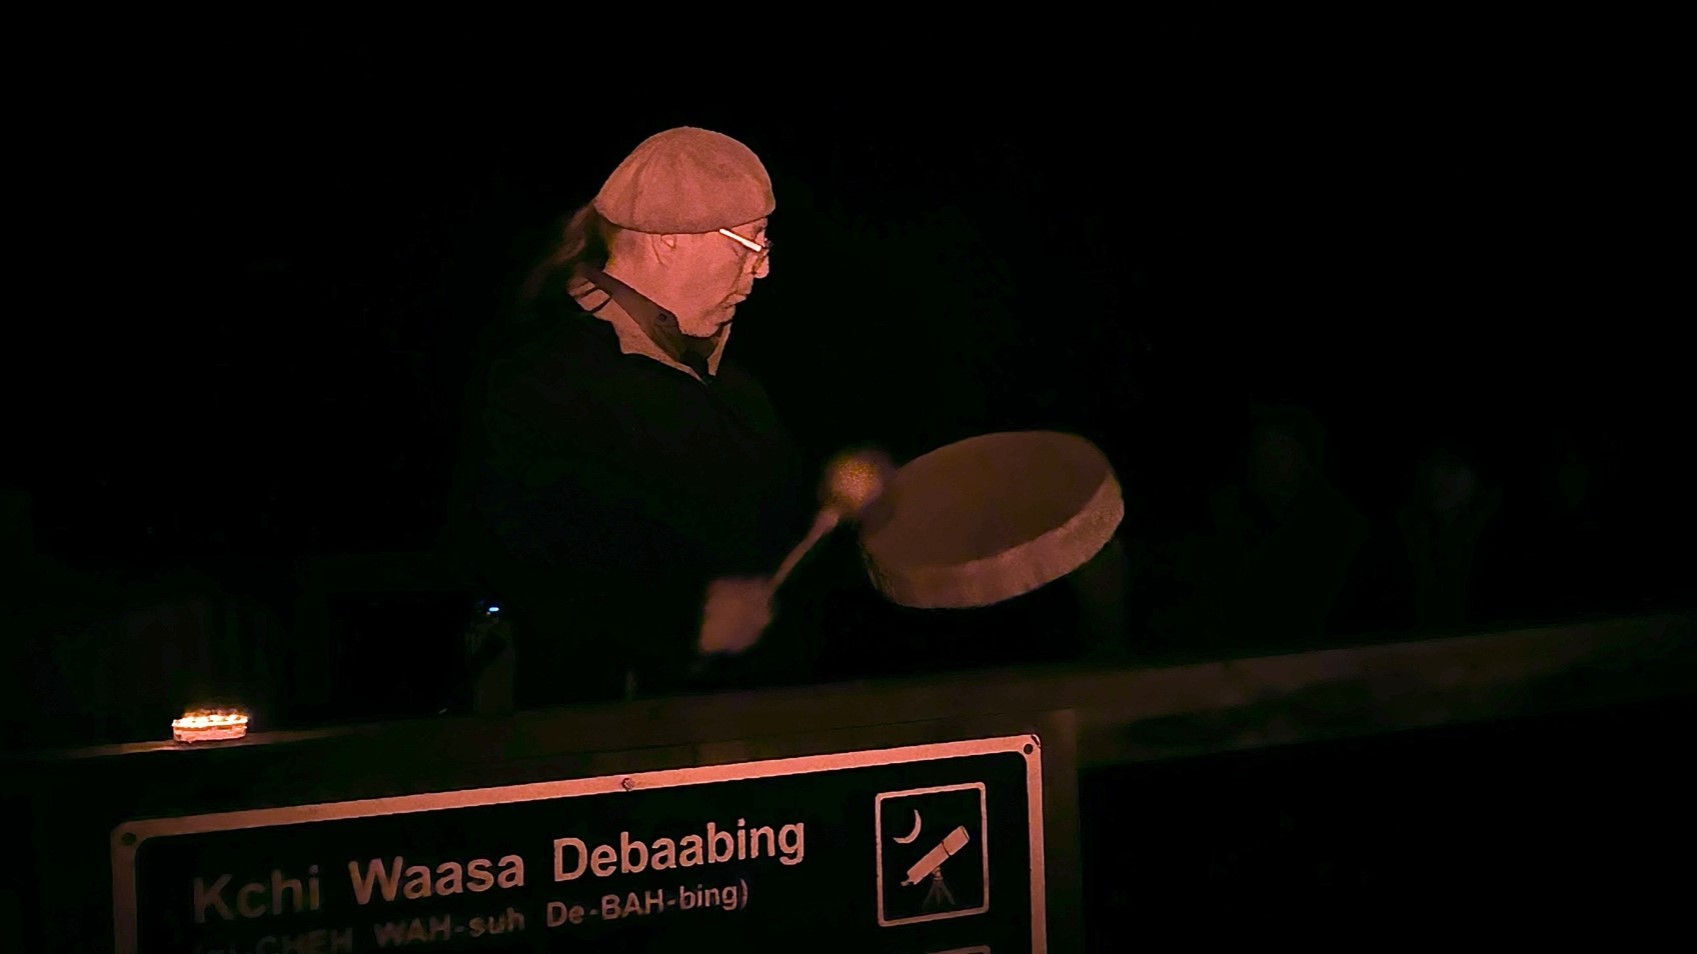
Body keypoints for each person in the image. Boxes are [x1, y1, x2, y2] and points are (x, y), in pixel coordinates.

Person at [449, 128, 814, 708]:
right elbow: (523, 569)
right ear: (670, 238)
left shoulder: (738, 391)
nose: (762, 270)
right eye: (751, 245)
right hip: (600, 748)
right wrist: (680, 623)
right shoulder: (541, 377)